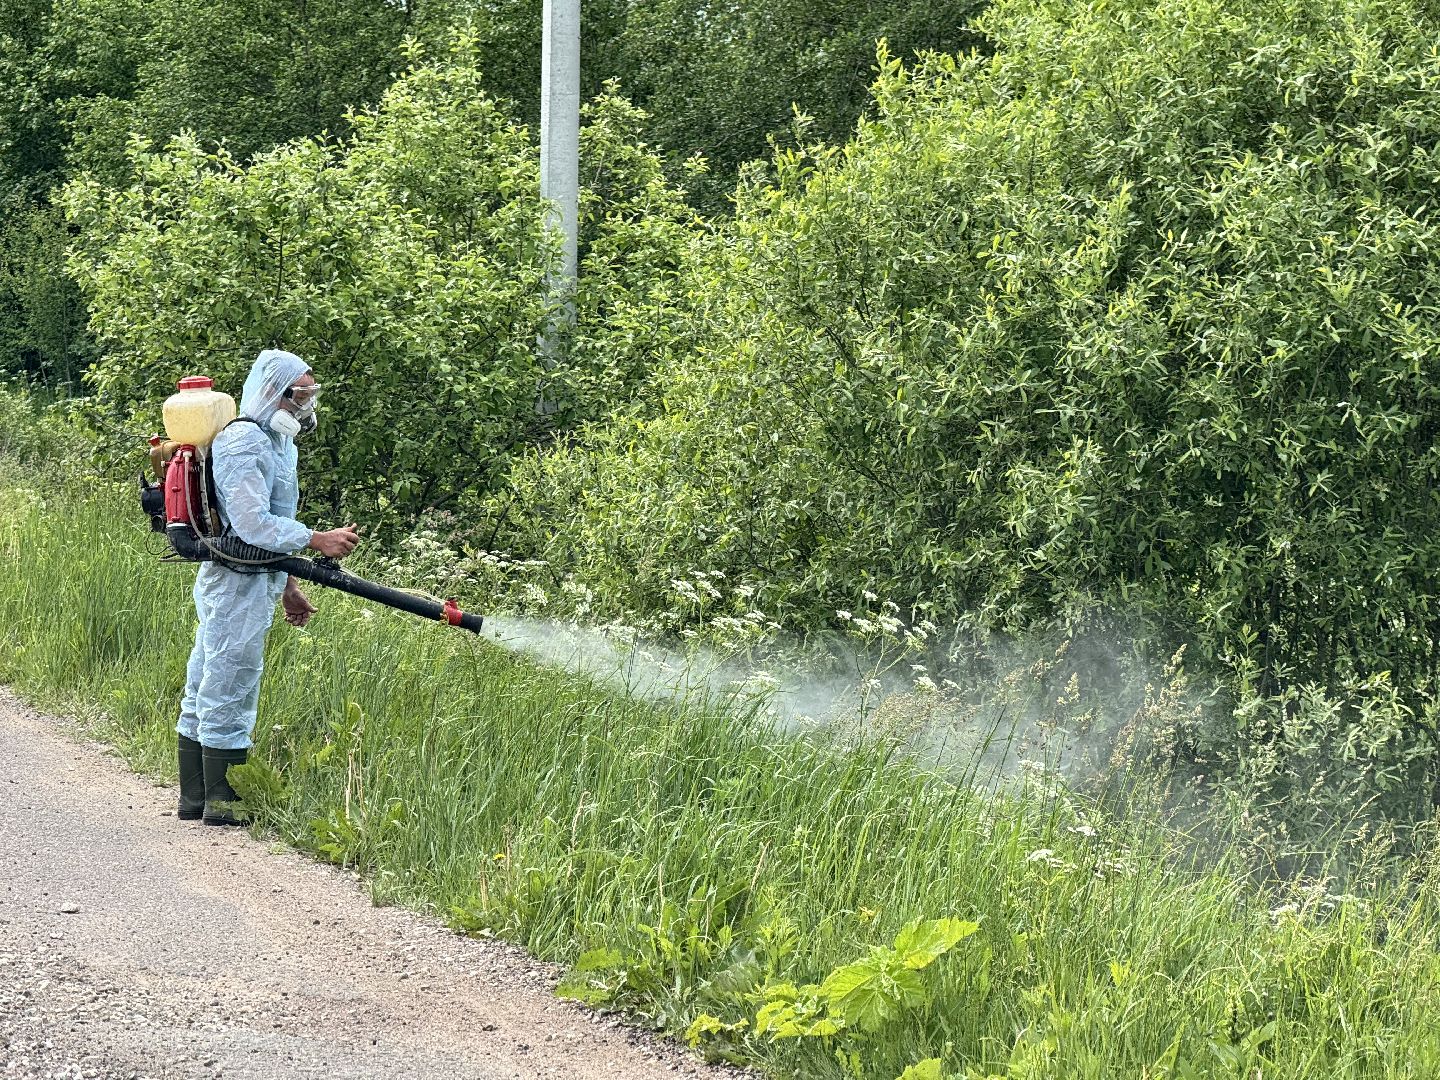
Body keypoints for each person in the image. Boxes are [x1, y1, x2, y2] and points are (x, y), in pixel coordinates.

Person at [175, 349, 360, 826]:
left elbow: (281, 519)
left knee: (213, 676)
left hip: (259, 580)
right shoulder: (242, 442)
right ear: (275, 392)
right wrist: (319, 540)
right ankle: (221, 799)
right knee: (227, 682)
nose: (306, 404)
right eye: (301, 394)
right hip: (233, 582)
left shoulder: (281, 445)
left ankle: (197, 798)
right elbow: (254, 523)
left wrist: (290, 585)